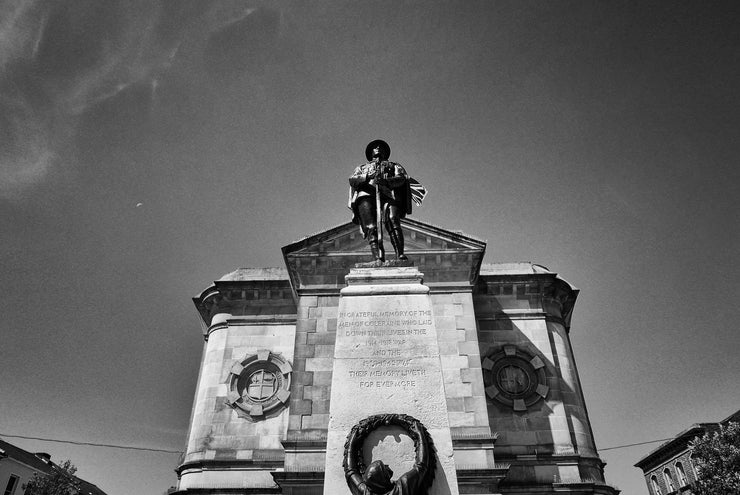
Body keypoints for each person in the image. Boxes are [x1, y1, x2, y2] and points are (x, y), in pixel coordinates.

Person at [348, 140, 413, 262]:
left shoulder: (394, 166)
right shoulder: (362, 168)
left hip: (389, 195)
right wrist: (367, 177)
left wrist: (387, 182)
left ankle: (400, 254)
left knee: (393, 220)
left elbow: (402, 178)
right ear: (370, 152)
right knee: (371, 226)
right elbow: (352, 179)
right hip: (366, 195)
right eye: (374, 147)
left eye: (381, 147)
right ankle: (377, 257)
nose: (378, 148)